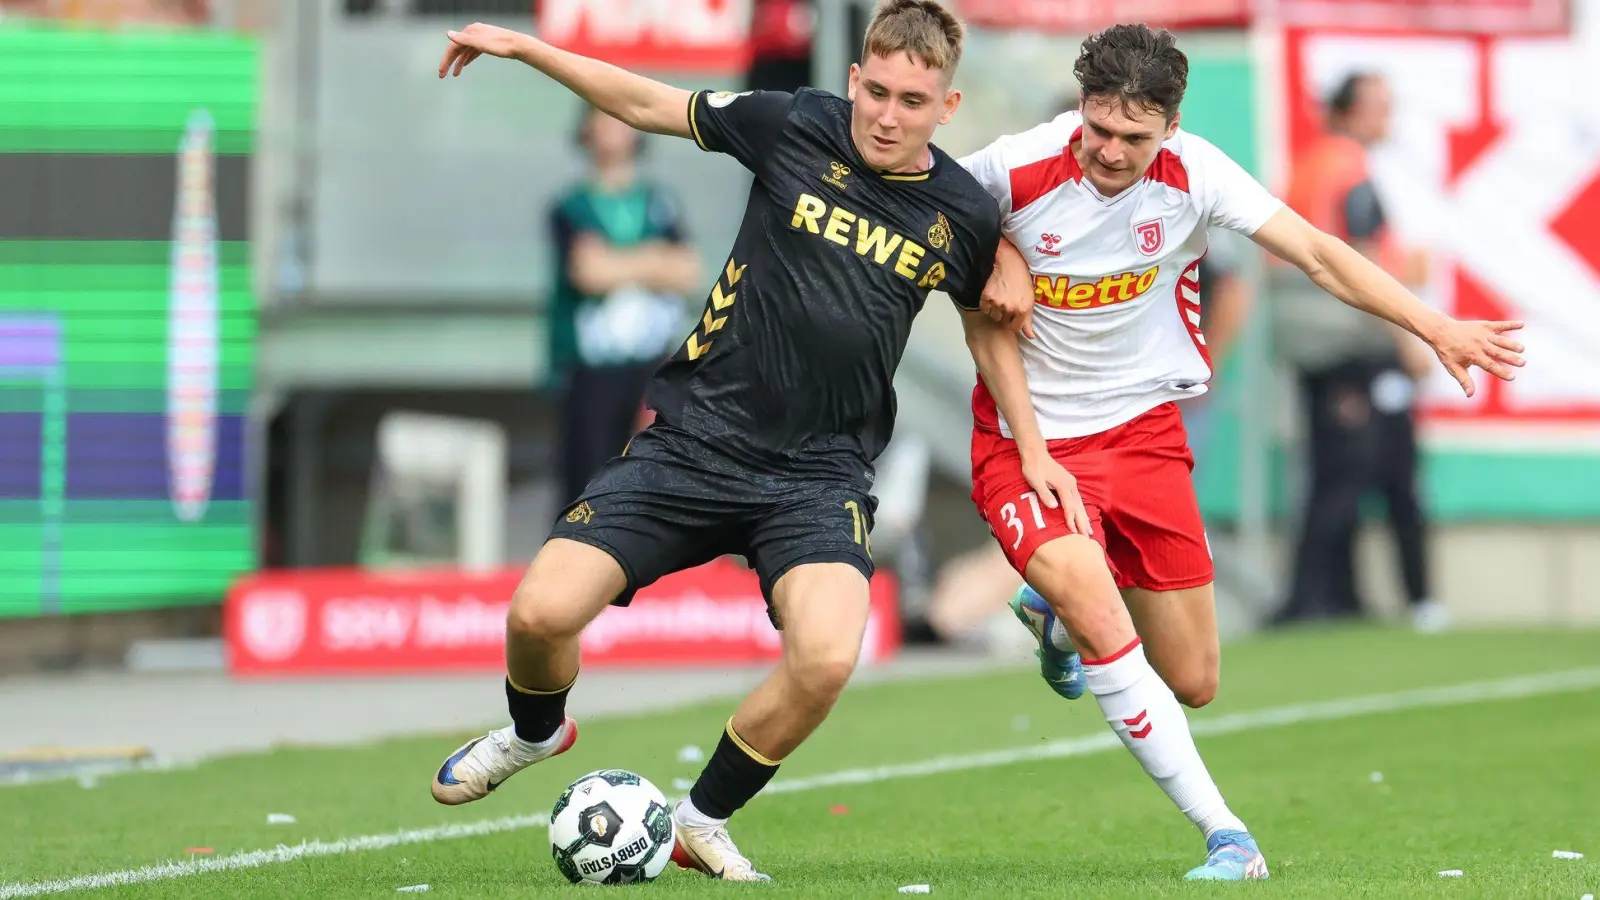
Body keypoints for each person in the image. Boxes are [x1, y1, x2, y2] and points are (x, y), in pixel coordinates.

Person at [428, 1, 1022, 882]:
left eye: (912, 100)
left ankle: (700, 817)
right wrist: (524, 46)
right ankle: (535, 730)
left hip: (820, 477)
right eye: (878, 92)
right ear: (855, 79)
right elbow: (643, 104)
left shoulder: (964, 214)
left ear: (947, 106)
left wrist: (1034, 438)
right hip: (695, 443)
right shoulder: (793, 125)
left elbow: (991, 326)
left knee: (825, 657)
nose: (888, 116)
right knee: (539, 615)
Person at [961, 25, 1525, 881]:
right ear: (1081, 109)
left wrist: (1435, 324)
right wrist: (988, 244)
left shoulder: (1200, 173)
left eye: (1134, 138)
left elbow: (1321, 256)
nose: (1109, 153)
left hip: (1145, 432)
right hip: (1025, 439)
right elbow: (917, 211)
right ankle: (1228, 834)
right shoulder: (1008, 170)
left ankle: (1059, 623)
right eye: (1097, 130)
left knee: (1193, 679)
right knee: (1102, 611)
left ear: (1172, 126)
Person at [1269, 72, 1443, 630]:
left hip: (1312, 338)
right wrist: (1412, 335)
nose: (1385, 119)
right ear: (1347, 112)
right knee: (1351, 476)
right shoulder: (1349, 168)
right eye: (1376, 107)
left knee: (1331, 472)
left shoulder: (1311, 163)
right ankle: (1316, 600)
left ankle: (1333, 597)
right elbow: (1365, 261)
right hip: (1348, 338)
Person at [547, 104, 701, 506]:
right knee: (587, 487)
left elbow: (686, 270)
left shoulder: (659, 202)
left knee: (650, 482)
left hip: (651, 363)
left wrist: (620, 262)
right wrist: (653, 260)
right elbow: (589, 272)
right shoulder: (571, 206)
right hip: (594, 369)